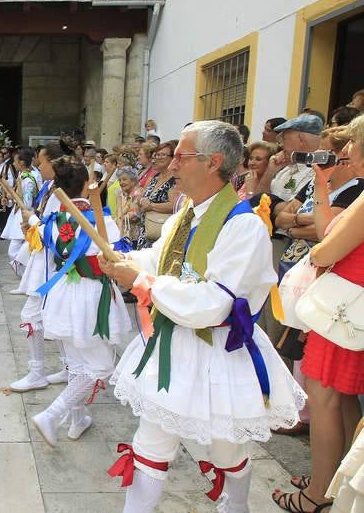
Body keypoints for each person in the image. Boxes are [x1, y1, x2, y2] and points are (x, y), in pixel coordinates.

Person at [101, 120, 305, 513]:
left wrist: (142, 282)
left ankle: (235, 507)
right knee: (151, 444)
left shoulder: (244, 226)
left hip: (221, 350)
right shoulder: (186, 213)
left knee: (228, 449)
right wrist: (125, 260)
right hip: (174, 344)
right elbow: (161, 259)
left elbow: (214, 304)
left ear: (212, 162)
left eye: (181, 156)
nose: (171, 164)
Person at [272, 115, 364, 512]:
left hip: (342, 310)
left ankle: (318, 495)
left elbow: (325, 249)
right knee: (341, 399)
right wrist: (323, 184)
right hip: (344, 309)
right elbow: (329, 231)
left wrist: (315, 252)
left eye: (352, 142)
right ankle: (334, 478)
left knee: (324, 399)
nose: (346, 150)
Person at [31, 156, 131, 446]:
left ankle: (77, 420)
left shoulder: (54, 221)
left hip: (64, 292)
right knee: (101, 366)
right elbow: (117, 255)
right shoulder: (101, 220)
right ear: (87, 185)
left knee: (76, 363)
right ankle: (51, 415)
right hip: (92, 294)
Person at [9, 141, 69, 393]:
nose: (37, 165)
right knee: (54, 314)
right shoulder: (50, 188)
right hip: (44, 258)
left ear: (53, 163)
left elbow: (56, 232)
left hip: (50, 263)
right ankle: (67, 366)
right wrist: (31, 226)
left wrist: (33, 221)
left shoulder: (60, 192)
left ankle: (37, 373)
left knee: (32, 316)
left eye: (41, 161)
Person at [137, 141, 179, 248]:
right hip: (145, 232)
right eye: (156, 155)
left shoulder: (175, 180)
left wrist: (151, 206)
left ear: (173, 158)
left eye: (162, 155)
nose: (156, 158)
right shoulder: (154, 178)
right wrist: (141, 200)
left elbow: (174, 205)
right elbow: (142, 196)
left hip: (161, 234)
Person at [1, 147, 38, 268]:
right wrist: (10, 198)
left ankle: (26, 270)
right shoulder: (22, 175)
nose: (13, 163)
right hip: (18, 213)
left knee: (14, 251)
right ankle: (25, 271)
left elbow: (27, 203)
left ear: (21, 162)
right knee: (18, 249)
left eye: (15, 161)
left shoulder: (28, 179)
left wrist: (12, 195)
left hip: (25, 216)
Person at [115, 167, 143, 246]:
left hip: (136, 239)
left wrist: (118, 218)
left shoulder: (138, 193)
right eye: (119, 180)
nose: (121, 182)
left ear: (133, 181)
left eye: (124, 179)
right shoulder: (125, 196)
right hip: (127, 236)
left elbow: (135, 216)